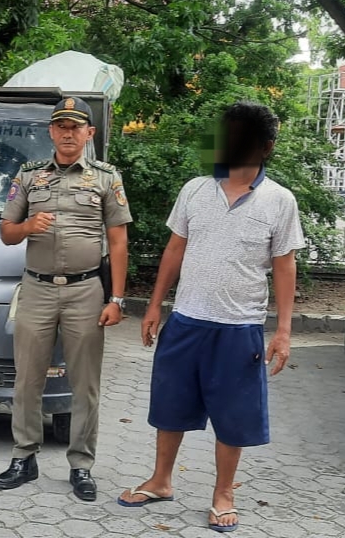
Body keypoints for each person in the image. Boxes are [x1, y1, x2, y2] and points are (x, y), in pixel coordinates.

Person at [116, 102, 304, 533]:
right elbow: (175, 248)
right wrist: (154, 305)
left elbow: (285, 265)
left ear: (266, 147)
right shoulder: (195, 189)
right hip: (185, 320)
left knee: (233, 416)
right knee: (170, 405)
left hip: (239, 327)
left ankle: (223, 494)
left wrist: (284, 330)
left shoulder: (279, 200)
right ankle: (161, 481)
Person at [0, 96, 132, 501]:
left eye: (76, 127)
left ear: (90, 134)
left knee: (84, 383)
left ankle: (82, 465)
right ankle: (24, 457)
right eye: (61, 127)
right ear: (51, 132)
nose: (68, 134)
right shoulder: (30, 176)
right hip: (36, 288)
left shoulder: (107, 178)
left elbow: (119, 242)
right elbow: (6, 232)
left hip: (87, 291)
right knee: (27, 379)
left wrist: (117, 299)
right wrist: (29, 225)